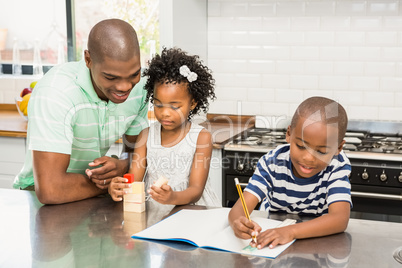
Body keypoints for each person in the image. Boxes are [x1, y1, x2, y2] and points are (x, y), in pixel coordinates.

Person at [13, 19, 149, 204]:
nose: (125, 87)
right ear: (88, 59)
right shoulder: (56, 92)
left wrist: (122, 165)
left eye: (134, 74)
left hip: (93, 196)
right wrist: (111, 182)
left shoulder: (140, 88)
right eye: (111, 77)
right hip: (36, 199)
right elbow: (50, 189)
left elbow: (134, 153)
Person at [229, 96, 352, 249]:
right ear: (289, 134)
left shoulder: (337, 166)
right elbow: (239, 209)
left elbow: (339, 219)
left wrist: (290, 231)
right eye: (300, 146)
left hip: (315, 245)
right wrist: (237, 222)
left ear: (338, 148)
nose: (308, 158)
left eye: (321, 151)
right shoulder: (272, 162)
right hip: (271, 245)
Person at [109, 47, 221, 208]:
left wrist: (172, 197)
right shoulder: (146, 136)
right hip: (156, 212)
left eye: (174, 106)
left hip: (192, 212)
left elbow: (196, 190)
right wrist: (119, 187)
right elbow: (134, 179)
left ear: (193, 103)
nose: (165, 113)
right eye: (158, 105)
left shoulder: (201, 137)